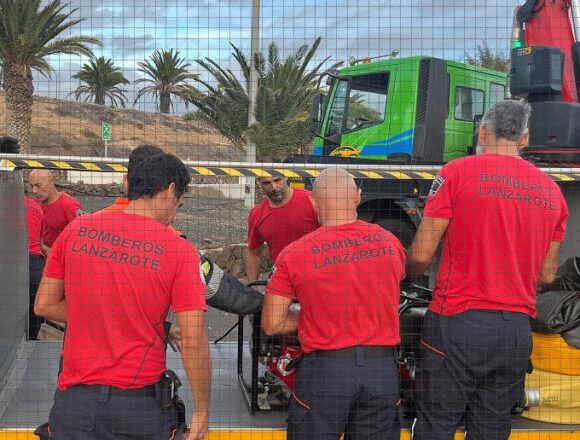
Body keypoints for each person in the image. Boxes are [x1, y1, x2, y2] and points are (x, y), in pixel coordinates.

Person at [406, 100, 569, 440]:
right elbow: (546, 276)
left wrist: (404, 275)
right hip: (513, 332)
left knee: (437, 423)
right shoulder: (553, 193)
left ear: (482, 132)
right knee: (492, 426)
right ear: (524, 140)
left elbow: (421, 255)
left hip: (458, 322)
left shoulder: (456, 172)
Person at [34, 152, 211, 440]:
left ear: (130, 183)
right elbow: (193, 339)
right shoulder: (179, 249)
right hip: (139, 408)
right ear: (169, 191)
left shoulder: (77, 230)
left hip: (74, 403)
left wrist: (102, 314)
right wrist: (202, 411)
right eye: (178, 203)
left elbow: (45, 304)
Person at [262, 168, 405, 440]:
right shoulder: (391, 243)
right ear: (358, 197)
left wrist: (319, 315)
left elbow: (272, 323)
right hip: (382, 371)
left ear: (314, 202)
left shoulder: (294, 253)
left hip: (327, 372)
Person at [246, 176, 319, 281]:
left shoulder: (312, 201)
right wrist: (252, 289)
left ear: (285, 177)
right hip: (282, 279)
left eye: (277, 180)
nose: (274, 187)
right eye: (266, 183)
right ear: (259, 183)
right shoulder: (257, 214)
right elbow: (253, 254)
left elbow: (332, 237)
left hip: (315, 276)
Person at [28, 169, 83, 256]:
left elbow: (82, 238)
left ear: (51, 182)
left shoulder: (69, 206)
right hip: (39, 259)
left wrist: (53, 252)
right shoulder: (33, 204)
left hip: (59, 261)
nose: (34, 191)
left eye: (38, 186)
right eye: (32, 186)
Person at [25, 196, 44, 340]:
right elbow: (40, 239)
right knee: (34, 308)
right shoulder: (35, 206)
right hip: (35, 262)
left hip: (12, 260)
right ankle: (31, 340)